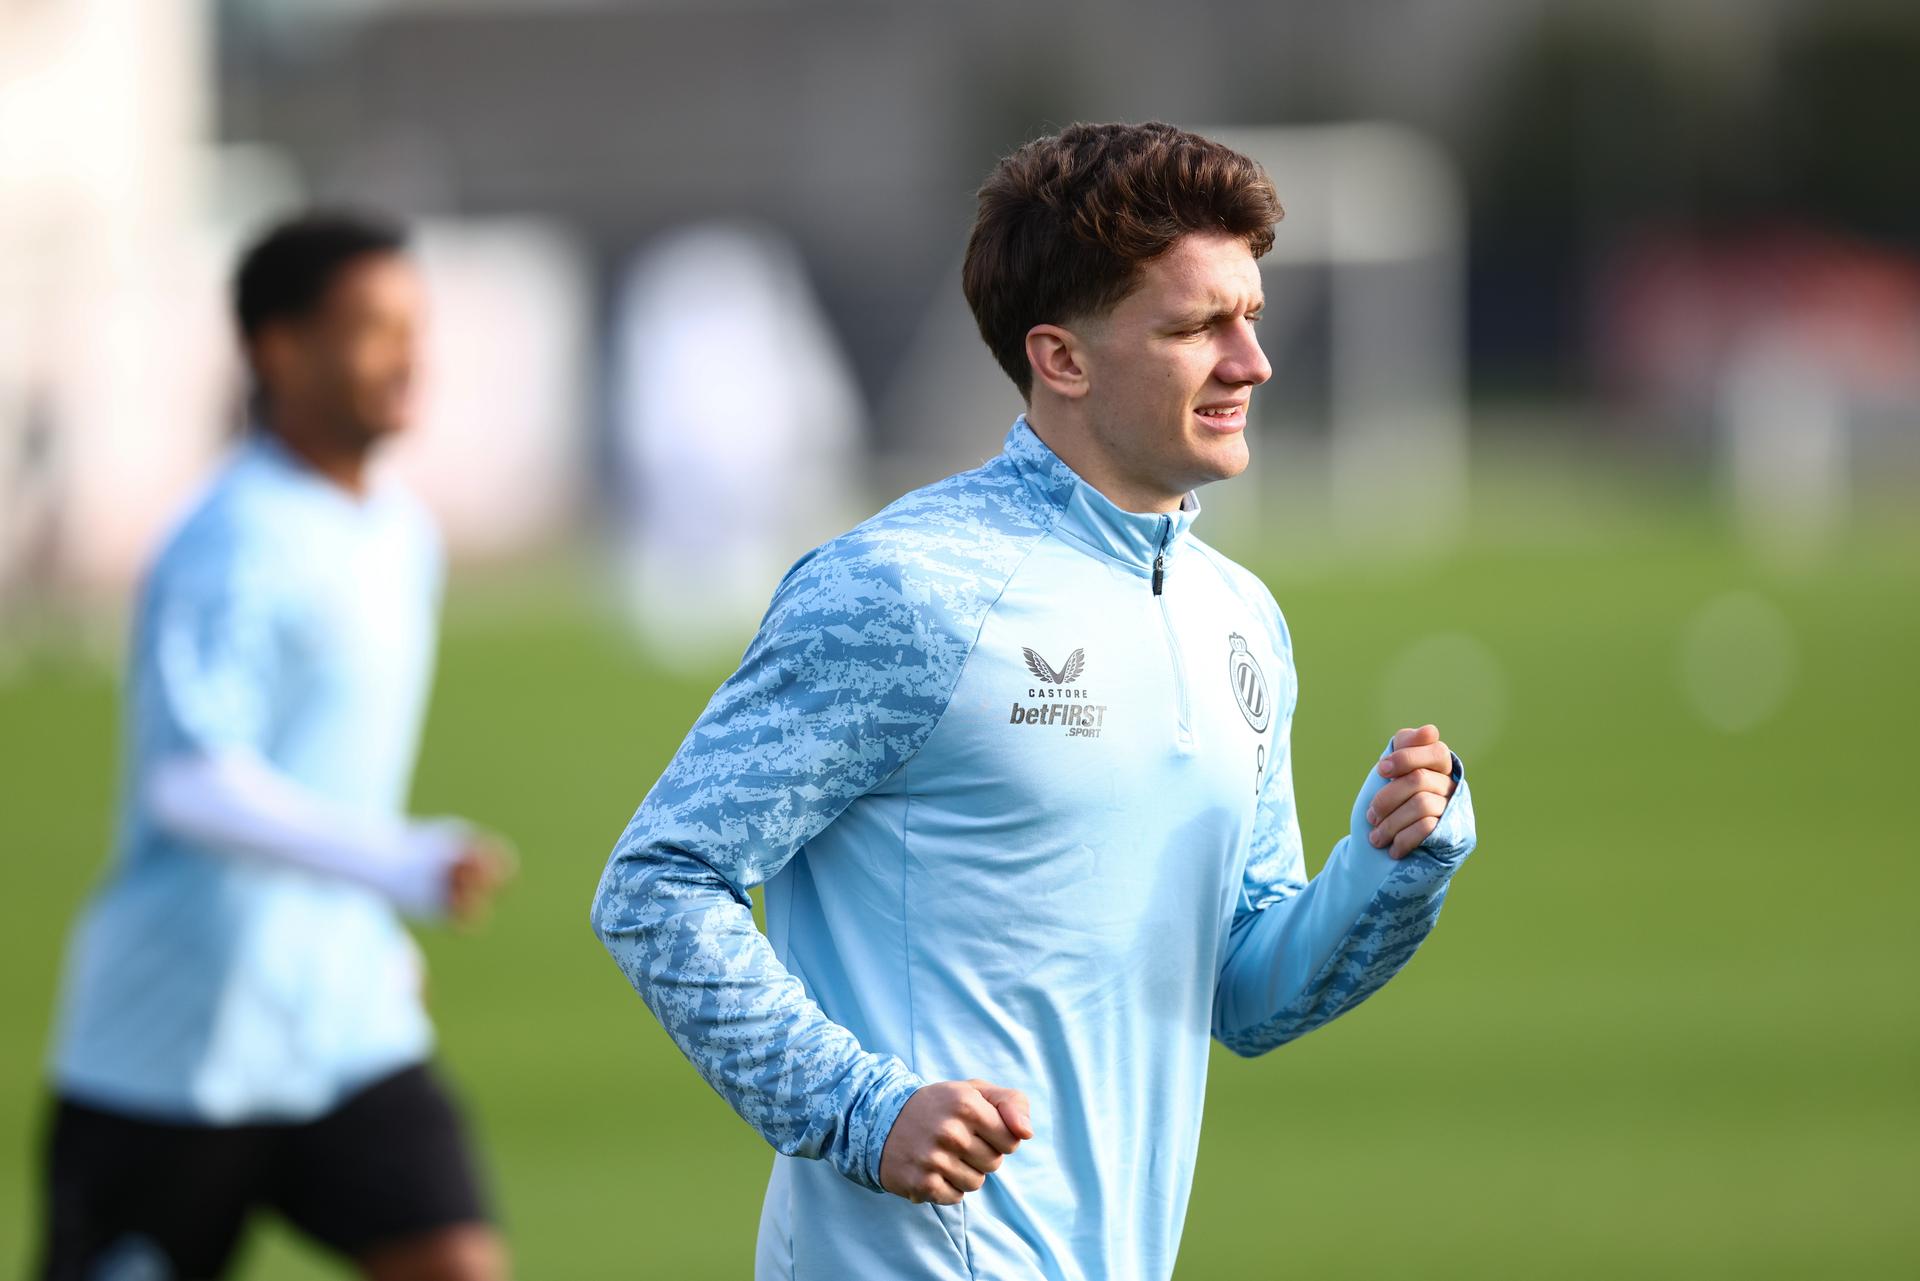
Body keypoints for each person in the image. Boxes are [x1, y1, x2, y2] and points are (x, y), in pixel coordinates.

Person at [592, 121, 1480, 1280]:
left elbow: (1247, 991)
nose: (1252, 362)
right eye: (1196, 327)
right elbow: (657, 882)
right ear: (1061, 359)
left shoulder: (1241, 620)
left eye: (1250, 317)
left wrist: (1393, 866)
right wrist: (860, 1110)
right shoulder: (903, 591)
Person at [40, 212, 513, 1281]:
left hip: (343, 1023)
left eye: (415, 328)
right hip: (177, 1042)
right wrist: (394, 863)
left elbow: (330, 768)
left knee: (455, 1261)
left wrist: (371, 933)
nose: (409, 358)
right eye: (375, 330)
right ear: (282, 349)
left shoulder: (400, 530)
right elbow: (189, 782)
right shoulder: (232, 539)